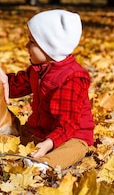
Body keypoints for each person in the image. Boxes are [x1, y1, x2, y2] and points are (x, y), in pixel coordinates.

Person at [7, 9, 94, 170]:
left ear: (50, 47)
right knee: (13, 133)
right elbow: (15, 86)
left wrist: (48, 143)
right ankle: (29, 154)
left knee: (74, 149)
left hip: (71, 134)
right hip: (40, 131)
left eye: (32, 42)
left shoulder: (72, 78)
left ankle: (44, 164)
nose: (26, 46)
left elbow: (68, 123)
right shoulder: (38, 69)